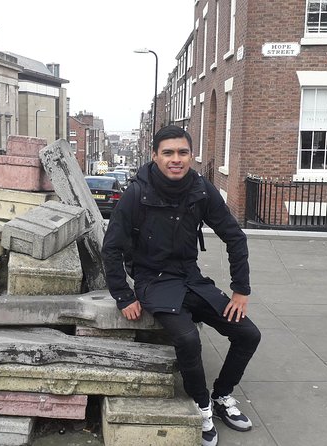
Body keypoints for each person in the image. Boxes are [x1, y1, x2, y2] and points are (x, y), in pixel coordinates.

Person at [101, 125, 261, 446]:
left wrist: (240, 289)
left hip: (191, 279)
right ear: (155, 156)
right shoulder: (137, 192)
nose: (176, 159)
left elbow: (234, 236)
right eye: (168, 153)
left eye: (183, 152)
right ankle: (201, 405)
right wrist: (123, 295)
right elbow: (112, 248)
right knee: (188, 340)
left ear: (191, 156)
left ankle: (222, 395)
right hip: (153, 281)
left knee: (248, 334)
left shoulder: (201, 189)